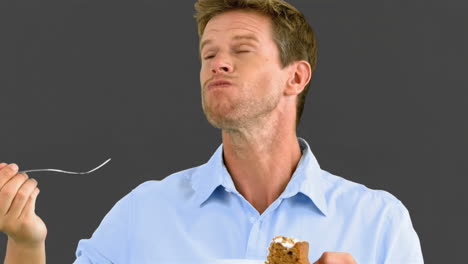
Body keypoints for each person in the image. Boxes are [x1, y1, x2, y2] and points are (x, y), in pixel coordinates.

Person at [0, 0, 424, 263]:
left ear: (295, 78)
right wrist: (25, 242)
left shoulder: (379, 222)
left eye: (241, 50)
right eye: (209, 54)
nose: (218, 64)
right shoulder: (143, 213)